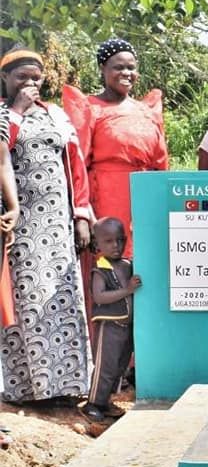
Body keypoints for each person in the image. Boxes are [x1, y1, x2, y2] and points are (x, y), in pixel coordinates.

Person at [0, 47, 94, 403]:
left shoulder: (56, 115)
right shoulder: (3, 113)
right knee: (27, 299)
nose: (29, 82)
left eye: (34, 77)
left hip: (56, 224)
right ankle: (29, 390)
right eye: (21, 77)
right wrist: (18, 111)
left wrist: (82, 214)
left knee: (62, 296)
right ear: (6, 79)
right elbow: (1, 153)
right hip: (18, 224)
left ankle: (66, 387)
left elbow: (76, 166)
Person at [62, 38, 168, 259]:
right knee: (109, 264)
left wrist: (162, 199)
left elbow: (161, 162)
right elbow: (78, 164)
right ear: (103, 69)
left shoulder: (146, 110)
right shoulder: (90, 108)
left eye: (131, 67)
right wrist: (84, 214)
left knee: (144, 260)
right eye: (118, 67)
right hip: (107, 197)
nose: (126, 73)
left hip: (144, 196)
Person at [82, 218, 140, 422]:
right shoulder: (101, 269)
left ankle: (106, 401)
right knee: (106, 365)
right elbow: (99, 296)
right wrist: (127, 290)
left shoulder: (127, 264)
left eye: (120, 240)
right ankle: (93, 403)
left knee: (119, 365)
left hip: (127, 326)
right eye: (108, 241)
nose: (116, 246)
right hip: (110, 325)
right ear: (97, 244)